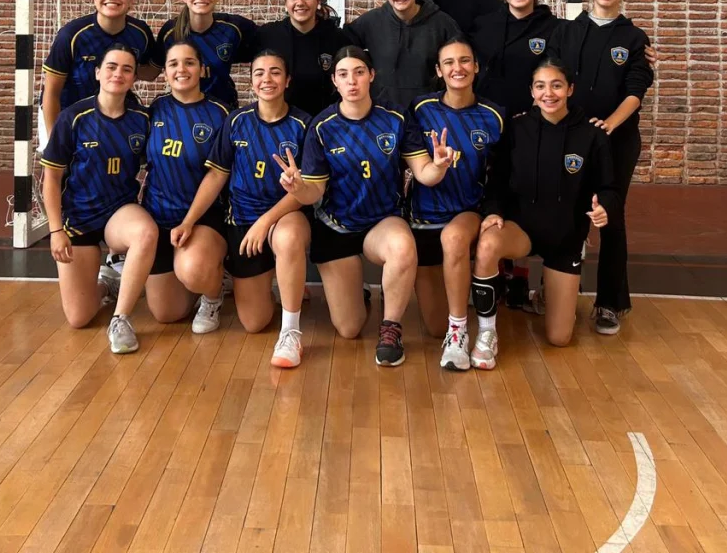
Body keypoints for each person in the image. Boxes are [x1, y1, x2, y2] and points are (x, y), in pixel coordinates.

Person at [278, 46, 456, 367]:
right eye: (343, 74)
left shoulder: (396, 118)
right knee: (349, 329)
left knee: (402, 246)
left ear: (371, 75)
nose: (352, 81)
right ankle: (357, 292)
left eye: (359, 72)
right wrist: (298, 187)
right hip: (336, 226)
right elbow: (314, 191)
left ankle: (391, 329)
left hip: (382, 222)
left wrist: (439, 166)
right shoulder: (322, 127)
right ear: (334, 81)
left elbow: (423, 173)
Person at [468, 58, 617, 366]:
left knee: (559, 338)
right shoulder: (517, 128)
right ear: (532, 91)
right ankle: (486, 332)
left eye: (556, 85)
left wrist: (604, 206)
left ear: (570, 89)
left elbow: (609, 188)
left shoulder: (591, 134)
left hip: (565, 237)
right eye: (540, 86)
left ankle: (546, 294)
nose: (548, 93)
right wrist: (493, 211)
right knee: (488, 243)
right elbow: (497, 180)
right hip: (522, 229)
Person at [174, 50, 313, 367]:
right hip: (242, 224)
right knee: (253, 322)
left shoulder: (303, 124)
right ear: (251, 82)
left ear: (287, 80)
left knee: (288, 236)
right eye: (259, 73)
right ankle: (274, 283)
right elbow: (216, 176)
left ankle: (290, 332)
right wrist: (189, 221)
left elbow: (306, 191)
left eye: (275, 72)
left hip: (285, 217)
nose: (267, 79)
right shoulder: (237, 121)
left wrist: (265, 222)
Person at [554, 0, 654, 336]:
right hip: (571, 138)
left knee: (609, 214)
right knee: (567, 214)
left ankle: (610, 303)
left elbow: (636, 91)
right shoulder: (566, 31)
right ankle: (557, 291)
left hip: (616, 141)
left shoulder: (635, 39)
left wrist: (610, 123)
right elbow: (551, 80)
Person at [39, 43, 160, 355]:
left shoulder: (142, 120)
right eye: (111, 67)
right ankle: (109, 283)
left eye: (126, 69)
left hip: (118, 212)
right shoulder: (73, 117)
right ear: (97, 73)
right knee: (79, 318)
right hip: (78, 219)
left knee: (146, 233)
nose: (118, 74)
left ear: (134, 78)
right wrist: (55, 230)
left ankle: (121, 320)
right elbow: (51, 179)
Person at [406, 38, 504, 371]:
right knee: (433, 326)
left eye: (464, 61)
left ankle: (459, 331)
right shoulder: (420, 109)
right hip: (423, 217)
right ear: (438, 70)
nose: (457, 68)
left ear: (476, 67)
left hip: (466, 210)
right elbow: (411, 164)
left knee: (455, 237)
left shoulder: (494, 116)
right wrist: (436, 165)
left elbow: (502, 173)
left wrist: (494, 209)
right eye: (449, 62)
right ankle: (454, 314)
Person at [142, 42, 231, 333]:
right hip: (158, 217)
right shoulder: (155, 110)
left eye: (189, 63)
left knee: (193, 271)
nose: (182, 69)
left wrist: (189, 221)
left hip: (202, 217)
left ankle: (213, 293)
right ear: (165, 72)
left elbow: (217, 175)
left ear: (202, 69)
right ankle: (202, 272)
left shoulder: (220, 114)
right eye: (173, 64)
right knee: (167, 313)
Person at [40, 0, 156, 142]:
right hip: (65, 115)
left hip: (112, 115)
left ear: (131, 0)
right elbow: (51, 92)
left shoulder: (140, 33)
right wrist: (55, 140)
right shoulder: (71, 35)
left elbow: (149, 73)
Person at [344, 0, 461, 110]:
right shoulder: (370, 21)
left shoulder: (441, 23)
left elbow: (460, 61)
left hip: (429, 111)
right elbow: (343, 47)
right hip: (381, 112)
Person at [155, 0, 258, 108]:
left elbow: (267, 48)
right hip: (182, 109)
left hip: (224, 108)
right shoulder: (170, 33)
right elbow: (151, 72)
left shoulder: (234, 28)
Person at [471, 0, 561, 117]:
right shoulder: (483, 25)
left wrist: (533, 114)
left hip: (533, 119)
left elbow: (558, 75)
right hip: (486, 117)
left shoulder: (555, 28)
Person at [254, 0, 350, 115]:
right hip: (282, 121)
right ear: (286, 3)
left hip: (324, 120)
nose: (300, 2)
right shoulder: (268, 35)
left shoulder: (337, 38)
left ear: (318, 2)